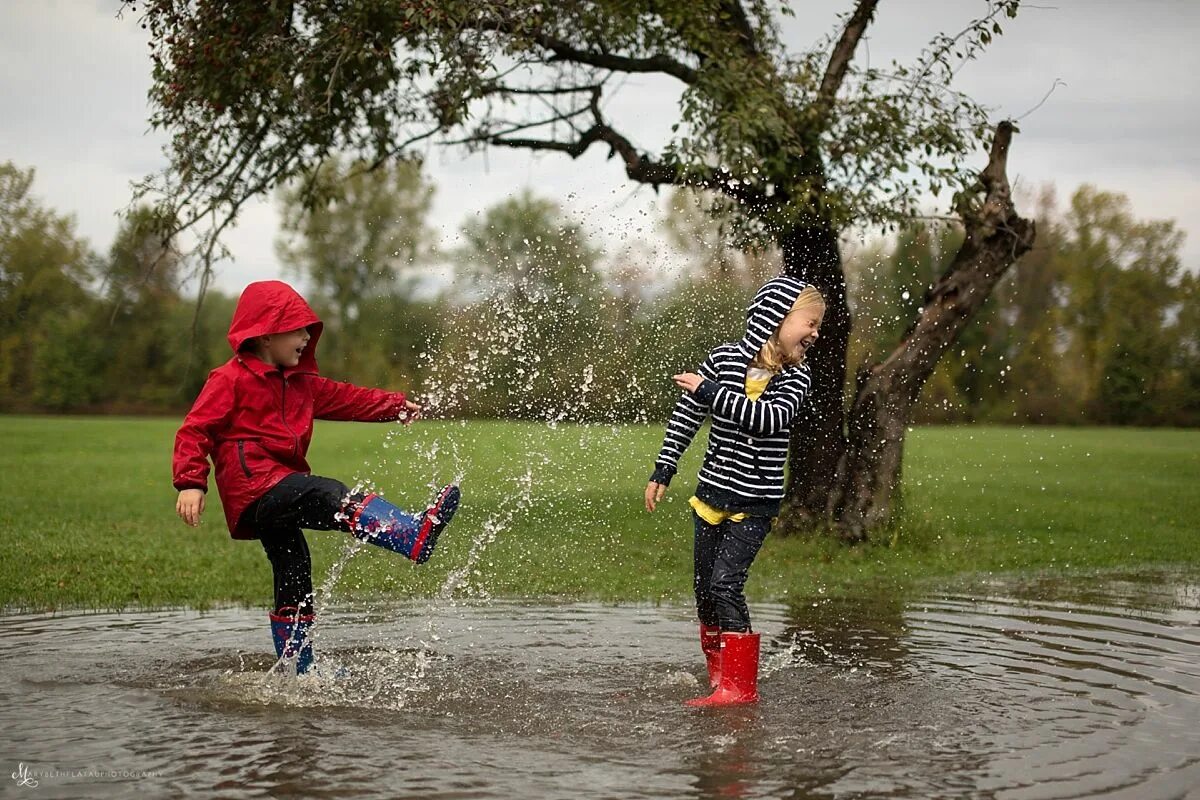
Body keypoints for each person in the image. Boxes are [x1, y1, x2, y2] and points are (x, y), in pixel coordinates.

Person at [172, 280, 460, 675]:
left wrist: (394, 406)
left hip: (280, 487)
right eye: (298, 329)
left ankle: (297, 672)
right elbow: (194, 430)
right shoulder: (229, 379)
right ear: (266, 334)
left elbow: (348, 397)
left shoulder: (301, 384)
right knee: (325, 493)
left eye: (309, 329)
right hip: (255, 488)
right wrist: (191, 481)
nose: (307, 337)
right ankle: (409, 534)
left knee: (294, 571)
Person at [645, 276, 824, 706]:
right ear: (775, 318)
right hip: (710, 497)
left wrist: (710, 391)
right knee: (704, 589)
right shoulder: (723, 360)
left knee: (726, 585)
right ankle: (720, 675)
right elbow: (687, 416)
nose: (815, 334)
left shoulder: (796, 377)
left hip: (754, 504)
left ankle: (739, 689)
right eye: (810, 323)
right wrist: (664, 468)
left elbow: (765, 420)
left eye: (818, 326)